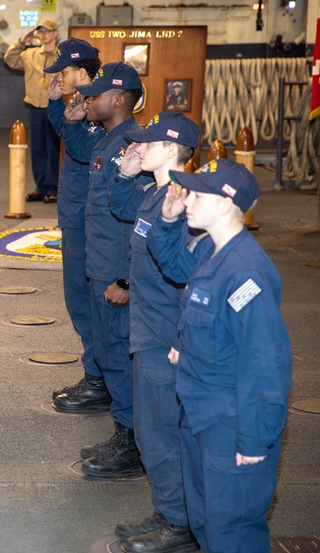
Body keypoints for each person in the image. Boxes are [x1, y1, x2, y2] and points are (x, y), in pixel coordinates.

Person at [150, 159, 291, 553]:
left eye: (197, 194)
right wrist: (188, 350)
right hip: (200, 417)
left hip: (231, 425)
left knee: (232, 532)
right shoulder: (213, 253)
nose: (186, 200)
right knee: (207, 524)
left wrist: (253, 441)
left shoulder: (245, 273)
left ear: (227, 204)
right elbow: (179, 273)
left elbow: (265, 364)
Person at [107, 112, 201, 553]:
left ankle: (179, 524)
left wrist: (183, 342)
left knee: (161, 430)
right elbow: (124, 211)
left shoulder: (183, 203)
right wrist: (124, 175)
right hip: (145, 326)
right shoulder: (154, 194)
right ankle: (168, 510)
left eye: (148, 143)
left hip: (165, 333)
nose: (139, 147)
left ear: (171, 150)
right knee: (151, 429)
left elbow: (192, 278)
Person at [61, 62, 143, 478]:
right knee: (110, 353)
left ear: (119, 100)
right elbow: (80, 152)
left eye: (95, 95)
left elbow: (138, 221)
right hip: (99, 264)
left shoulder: (133, 147)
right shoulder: (109, 140)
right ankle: (124, 431)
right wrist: (73, 122)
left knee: (119, 354)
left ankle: (133, 445)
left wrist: (126, 278)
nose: (88, 100)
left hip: (114, 270)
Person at [43, 38, 108, 412]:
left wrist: (70, 119)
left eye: (64, 72)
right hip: (75, 214)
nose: (59, 78)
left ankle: (99, 380)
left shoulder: (99, 105)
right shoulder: (81, 103)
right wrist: (57, 104)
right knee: (78, 300)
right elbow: (67, 133)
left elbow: (84, 149)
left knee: (87, 303)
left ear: (82, 72)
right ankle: (96, 373)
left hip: (89, 220)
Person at [3, 17, 61, 203]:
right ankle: (41, 187)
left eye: (47, 31)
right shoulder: (30, 54)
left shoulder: (61, 55)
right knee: (38, 148)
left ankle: (53, 187)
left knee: (53, 148)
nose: (43, 35)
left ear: (55, 33)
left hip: (54, 106)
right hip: (35, 106)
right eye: (40, 31)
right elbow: (10, 59)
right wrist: (22, 41)